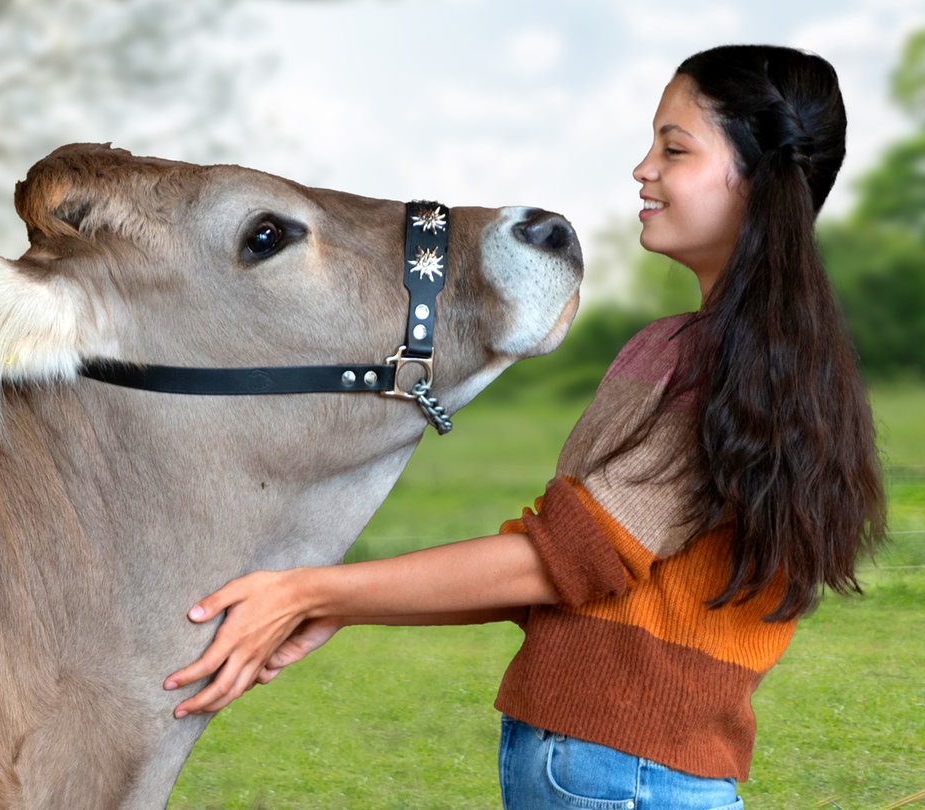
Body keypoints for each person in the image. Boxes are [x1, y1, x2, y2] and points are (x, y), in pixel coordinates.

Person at [163, 44, 886, 809]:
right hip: (635, 772)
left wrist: (306, 591)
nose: (643, 169)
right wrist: (338, 601)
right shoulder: (793, 372)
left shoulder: (707, 363)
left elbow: (561, 561)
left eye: (674, 148)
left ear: (758, 180)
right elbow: (560, 569)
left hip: (620, 774)